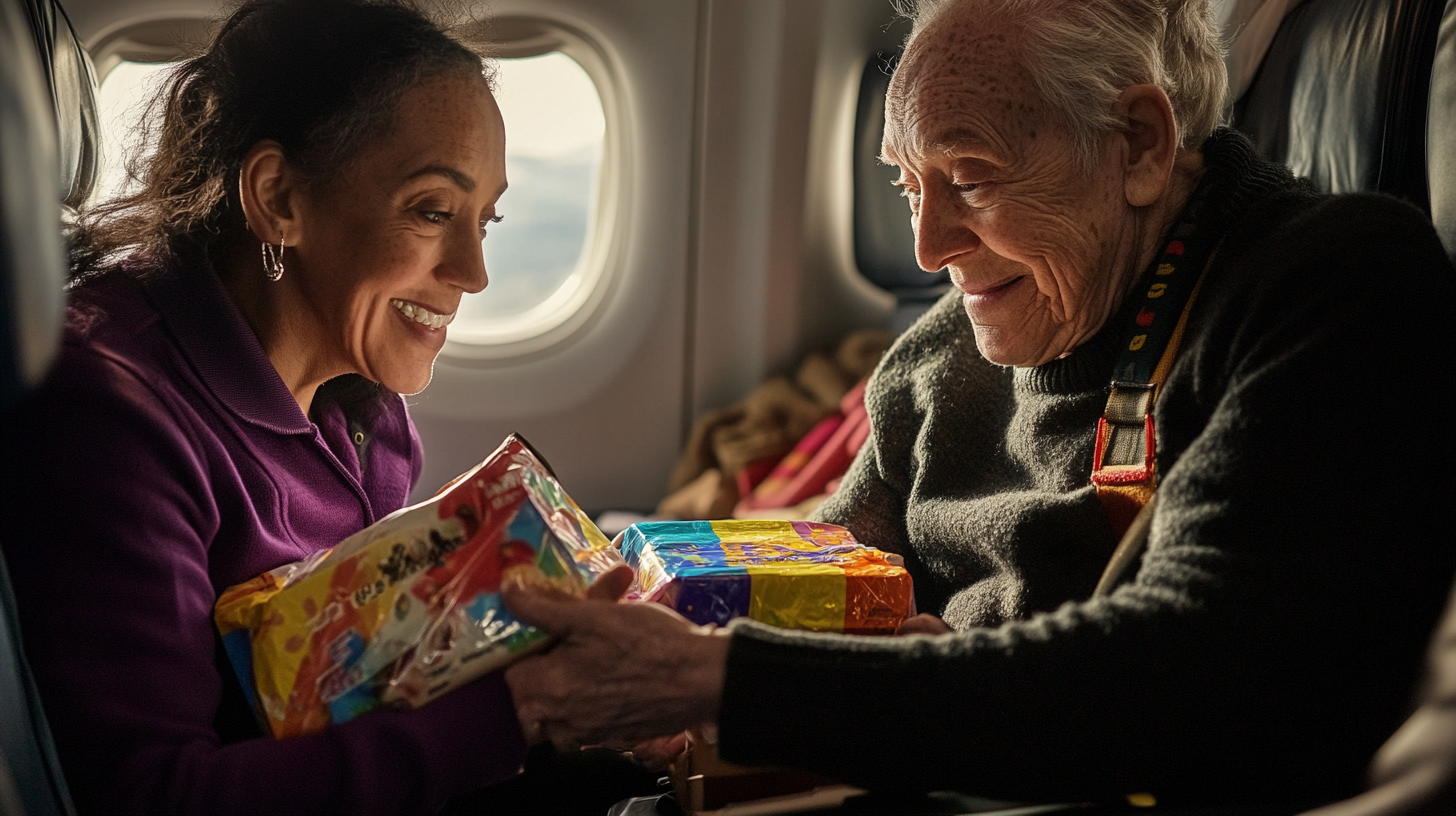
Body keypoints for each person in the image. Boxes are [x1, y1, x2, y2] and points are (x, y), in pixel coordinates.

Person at [502, 0, 1456, 809]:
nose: (926, 246)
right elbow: (830, 573)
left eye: (969, 178)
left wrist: (720, 681)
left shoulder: (1331, 285)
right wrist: (661, 642)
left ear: (1139, 145)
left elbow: (1200, 671)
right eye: (907, 183)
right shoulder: (936, 363)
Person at [0, 1, 528, 813]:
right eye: (432, 211)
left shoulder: (364, 414)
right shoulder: (109, 415)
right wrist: (521, 713)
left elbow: (350, 696)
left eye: (485, 221)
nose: (473, 272)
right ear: (278, 197)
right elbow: (150, 795)